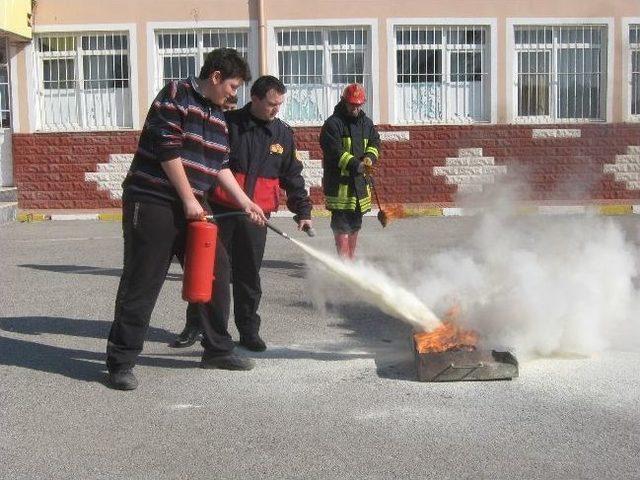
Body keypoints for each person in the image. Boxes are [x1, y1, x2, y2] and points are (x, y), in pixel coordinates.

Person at [105, 48, 267, 391]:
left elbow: (220, 165)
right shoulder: (176, 94)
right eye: (234, 86)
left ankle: (217, 350)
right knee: (143, 278)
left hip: (193, 203)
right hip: (154, 200)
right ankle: (121, 361)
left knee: (216, 271)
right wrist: (188, 198)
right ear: (216, 77)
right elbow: (167, 150)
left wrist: (246, 201)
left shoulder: (219, 115)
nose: (235, 95)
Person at [171, 75, 313, 356]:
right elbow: (208, 163)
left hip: (257, 217)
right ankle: (196, 325)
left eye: (280, 104)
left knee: (249, 275)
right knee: (209, 271)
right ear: (255, 98)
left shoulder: (283, 134)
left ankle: (248, 331)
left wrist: (303, 210)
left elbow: (292, 175)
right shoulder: (228, 124)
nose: (276, 110)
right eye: (272, 104)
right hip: (220, 211)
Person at [320, 83, 380, 259]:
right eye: (352, 104)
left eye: (359, 105)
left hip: (359, 186)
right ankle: (343, 262)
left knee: (355, 223)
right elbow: (333, 151)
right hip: (340, 187)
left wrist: (370, 157)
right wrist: (357, 165)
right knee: (341, 224)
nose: (356, 108)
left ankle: (350, 260)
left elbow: (375, 143)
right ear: (343, 101)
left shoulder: (366, 124)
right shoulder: (333, 124)